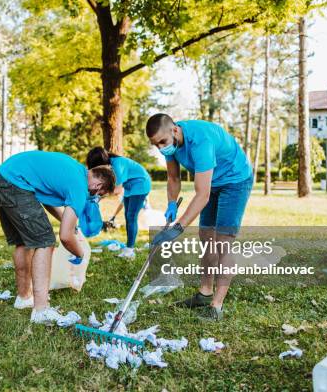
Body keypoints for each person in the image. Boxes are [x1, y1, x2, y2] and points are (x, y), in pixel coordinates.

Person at [146, 113, 253, 321]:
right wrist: (171, 202)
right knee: (206, 239)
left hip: (235, 180)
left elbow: (201, 194)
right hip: (211, 181)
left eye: (162, 142)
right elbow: (173, 177)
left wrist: (178, 227)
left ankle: (216, 306)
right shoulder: (172, 145)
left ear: (175, 130)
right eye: (155, 144)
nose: (160, 148)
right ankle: (205, 293)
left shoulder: (200, 141)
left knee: (223, 243)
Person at [0, 151, 115, 324]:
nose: (96, 196)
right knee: (46, 241)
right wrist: (80, 253)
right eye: (99, 194)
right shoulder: (80, 187)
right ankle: (41, 310)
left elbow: (46, 200)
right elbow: (65, 236)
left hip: (0, 178)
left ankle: (24, 298)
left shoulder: (75, 170)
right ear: (98, 185)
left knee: (23, 242)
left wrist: (71, 224)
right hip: (15, 185)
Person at [86, 147, 151, 259]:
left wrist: (98, 197)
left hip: (141, 184)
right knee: (127, 216)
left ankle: (129, 250)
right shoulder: (110, 163)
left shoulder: (117, 164)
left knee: (131, 216)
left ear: (101, 162)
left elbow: (117, 190)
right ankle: (129, 246)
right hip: (130, 187)